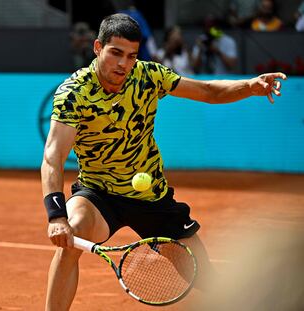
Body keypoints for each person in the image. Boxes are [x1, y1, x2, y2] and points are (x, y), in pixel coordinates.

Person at [41, 13, 286, 311]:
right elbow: (53, 157)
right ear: (97, 48)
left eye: (131, 56)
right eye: (115, 53)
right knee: (73, 235)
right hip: (99, 193)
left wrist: (250, 86)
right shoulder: (73, 94)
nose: (123, 64)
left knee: (203, 276)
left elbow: (207, 92)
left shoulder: (147, 76)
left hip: (152, 196)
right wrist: (56, 216)